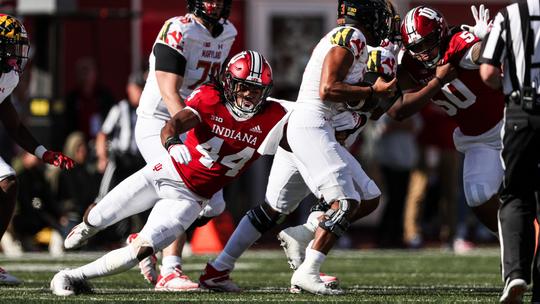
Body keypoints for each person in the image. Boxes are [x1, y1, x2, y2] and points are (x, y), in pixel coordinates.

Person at [199, 0, 397, 295]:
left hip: (311, 128)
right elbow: (328, 89)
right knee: (345, 203)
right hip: (311, 126)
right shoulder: (351, 37)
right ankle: (308, 271)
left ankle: (219, 269)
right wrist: (371, 91)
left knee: (281, 209)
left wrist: (378, 93)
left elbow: (372, 105)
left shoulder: (362, 48)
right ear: (365, 14)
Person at [51, 50, 287, 296]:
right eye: (243, 87)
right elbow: (172, 125)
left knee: (143, 249)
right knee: (98, 218)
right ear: (229, 83)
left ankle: (71, 276)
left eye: (256, 89)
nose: (249, 95)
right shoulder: (209, 98)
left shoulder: (275, 117)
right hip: (164, 173)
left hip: (191, 199)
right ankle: (88, 226)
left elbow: (314, 119)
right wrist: (173, 143)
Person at [127, 0, 237, 290]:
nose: (215, 5)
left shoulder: (228, 32)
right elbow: (168, 91)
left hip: (192, 119)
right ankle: (170, 270)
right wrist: (192, 131)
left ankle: (146, 239)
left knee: (214, 205)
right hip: (160, 121)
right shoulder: (178, 29)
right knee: (185, 189)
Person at [387, 5, 504, 237]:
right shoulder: (410, 64)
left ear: (440, 32)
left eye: (427, 42)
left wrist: (490, 39)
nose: (424, 52)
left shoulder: (457, 42)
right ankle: (521, 242)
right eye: (416, 47)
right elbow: (397, 110)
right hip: (478, 139)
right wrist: (436, 82)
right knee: (478, 196)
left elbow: (478, 51)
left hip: (509, 124)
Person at [0, 14, 74, 285]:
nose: (17, 54)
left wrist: (44, 152)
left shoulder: (6, 76)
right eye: (11, 46)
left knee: (8, 182)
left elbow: (14, 125)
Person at [479, 1, 540, 302]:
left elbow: (488, 72)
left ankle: (516, 274)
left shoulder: (510, 15)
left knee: (516, 195)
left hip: (522, 112)